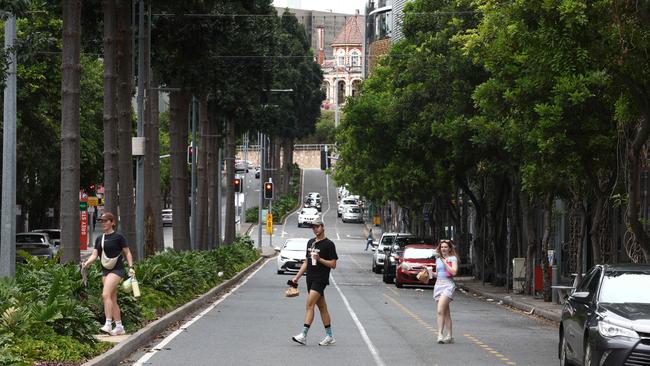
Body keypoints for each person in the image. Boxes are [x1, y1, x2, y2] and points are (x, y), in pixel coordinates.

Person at [81, 212, 135, 336]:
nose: (103, 223)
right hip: (105, 270)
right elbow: (94, 255)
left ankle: (108, 323)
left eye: (106, 221)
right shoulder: (100, 239)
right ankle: (119, 326)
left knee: (105, 295)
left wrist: (131, 267)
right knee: (112, 298)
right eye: (102, 221)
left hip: (117, 270)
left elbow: (127, 253)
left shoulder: (119, 237)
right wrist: (86, 264)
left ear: (112, 222)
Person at [290, 217, 338, 346]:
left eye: (317, 226)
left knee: (309, 305)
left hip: (320, 279)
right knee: (322, 308)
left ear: (323, 227)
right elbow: (306, 262)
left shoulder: (329, 244)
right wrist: (296, 277)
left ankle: (303, 335)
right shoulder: (310, 242)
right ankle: (330, 336)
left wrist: (320, 259)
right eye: (313, 227)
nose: (315, 229)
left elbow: (333, 264)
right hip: (310, 279)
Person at [431, 239, 459, 344]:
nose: (443, 249)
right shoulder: (437, 259)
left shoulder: (452, 259)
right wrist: (429, 271)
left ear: (449, 249)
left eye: (445, 247)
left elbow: (454, 272)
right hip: (438, 285)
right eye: (442, 247)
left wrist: (445, 262)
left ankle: (440, 334)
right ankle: (450, 335)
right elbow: (438, 274)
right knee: (446, 312)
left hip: (448, 285)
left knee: (440, 310)